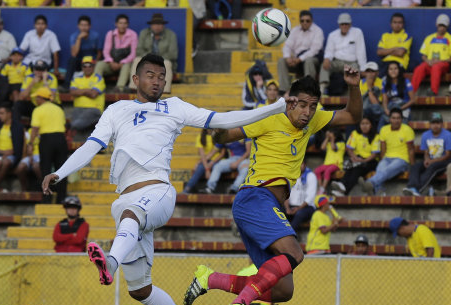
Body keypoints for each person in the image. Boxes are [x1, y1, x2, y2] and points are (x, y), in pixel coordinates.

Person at [42, 53, 297, 305]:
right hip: (126, 198)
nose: (156, 81)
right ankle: (120, 265)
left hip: (157, 192)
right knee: (140, 291)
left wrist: (276, 107)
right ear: (135, 79)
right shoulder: (117, 109)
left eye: (161, 77)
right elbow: (91, 145)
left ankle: (110, 262)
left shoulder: (174, 106)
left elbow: (221, 119)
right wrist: (59, 172)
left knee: (132, 215)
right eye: (150, 75)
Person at [183, 66, 361, 305]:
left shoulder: (313, 120)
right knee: (294, 253)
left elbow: (352, 116)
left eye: (313, 106)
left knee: (282, 291)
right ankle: (241, 303)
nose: (308, 112)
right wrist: (218, 133)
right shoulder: (267, 117)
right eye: (303, 105)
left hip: (268, 205)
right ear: (290, 103)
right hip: (255, 197)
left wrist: (353, 86)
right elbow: (226, 136)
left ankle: (209, 279)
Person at [359, 108, 415, 195]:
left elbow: (411, 150)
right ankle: (379, 191)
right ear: (389, 119)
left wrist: (412, 167)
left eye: (398, 118)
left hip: (402, 159)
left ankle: (370, 183)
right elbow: (383, 149)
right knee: (380, 168)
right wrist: (382, 161)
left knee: (387, 170)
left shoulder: (407, 130)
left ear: (402, 119)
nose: (396, 121)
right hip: (387, 158)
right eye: (393, 118)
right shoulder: (384, 130)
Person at [30, 87, 67, 203]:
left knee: (45, 169)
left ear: (41, 98)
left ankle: (47, 197)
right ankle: (62, 197)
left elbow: (35, 129)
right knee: (61, 169)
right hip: (61, 138)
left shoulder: (38, 110)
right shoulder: (59, 109)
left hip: (46, 140)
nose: (36, 99)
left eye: (37, 97)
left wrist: (30, 143)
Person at [403, 112, 451, 196]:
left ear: (442, 124)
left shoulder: (448, 135)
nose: (435, 125)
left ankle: (417, 189)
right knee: (416, 166)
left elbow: (448, 155)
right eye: (433, 123)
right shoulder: (425, 135)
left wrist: (431, 162)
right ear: (430, 124)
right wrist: (426, 159)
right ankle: (412, 187)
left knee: (432, 167)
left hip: (444, 162)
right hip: (430, 160)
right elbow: (426, 152)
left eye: (438, 123)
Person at [129, 13, 177, 94]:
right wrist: (150, 58)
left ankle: (165, 91)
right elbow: (139, 51)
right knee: (137, 60)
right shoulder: (144, 33)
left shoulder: (171, 35)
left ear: (163, 25)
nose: (157, 27)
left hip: (163, 61)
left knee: (167, 63)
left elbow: (173, 54)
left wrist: (157, 59)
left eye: (159, 24)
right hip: (148, 60)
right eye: (155, 24)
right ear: (151, 25)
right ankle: (133, 88)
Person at [411, 14, 451, 96]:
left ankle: (433, 91)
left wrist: (440, 61)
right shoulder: (429, 38)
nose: (442, 28)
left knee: (436, 67)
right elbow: (423, 55)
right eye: (440, 25)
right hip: (429, 63)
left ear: (447, 26)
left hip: (443, 65)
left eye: (444, 26)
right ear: (436, 25)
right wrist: (427, 61)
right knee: (419, 68)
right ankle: (411, 91)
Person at [277, 10, 324, 94]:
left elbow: (314, 50)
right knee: (281, 61)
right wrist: (287, 57)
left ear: (311, 21)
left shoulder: (318, 31)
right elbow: (287, 46)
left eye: (307, 21)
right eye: (302, 21)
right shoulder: (295, 30)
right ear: (300, 21)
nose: (305, 23)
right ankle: (284, 90)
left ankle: (308, 89)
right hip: (296, 61)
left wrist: (299, 59)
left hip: (312, 60)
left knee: (309, 60)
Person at [319, 13, 366, 95]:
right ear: (339, 24)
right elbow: (329, 51)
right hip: (337, 62)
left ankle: (353, 94)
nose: (344, 26)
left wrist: (363, 68)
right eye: (342, 24)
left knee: (355, 71)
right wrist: (327, 59)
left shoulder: (357, 32)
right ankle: (322, 88)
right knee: (324, 65)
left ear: (350, 24)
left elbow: (361, 51)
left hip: (351, 63)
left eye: (346, 24)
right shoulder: (332, 35)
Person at [331, 117, 380, 196]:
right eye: (362, 124)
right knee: (352, 167)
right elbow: (349, 149)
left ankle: (343, 188)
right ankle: (342, 187)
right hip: (357, 159)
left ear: (371, 125)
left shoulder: (376, 136)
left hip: (370, 161)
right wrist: (355, 158)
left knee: (357, 168)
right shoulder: (355, 133)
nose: (364, 126)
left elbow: (374, 154)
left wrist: (362, 161)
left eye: (367, 123)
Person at [95, 14, 137, 92]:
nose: (122, 25)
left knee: (126, 66)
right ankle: (97, 87)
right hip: (112, 63)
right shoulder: (110, 34)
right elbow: (106, 51)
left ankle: (119, 89)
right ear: (116, 24)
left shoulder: (133, 34)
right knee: (99, 64)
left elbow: (133, 54)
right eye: (120, 23)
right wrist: (111, 62)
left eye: (125, 23)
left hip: (125, 64)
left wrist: (122, 63)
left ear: (127, 24)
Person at [64, 15, 102, 91]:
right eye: (82, 25)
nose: (84, 27)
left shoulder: (95, 36)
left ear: (89, 26)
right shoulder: (74, 36)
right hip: (80, 62)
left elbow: (99, 53)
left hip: (92, 62)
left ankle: (96, 86)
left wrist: (96, 62)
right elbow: (74, 54)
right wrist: (79, 39)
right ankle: (66, 86)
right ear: (78, 26)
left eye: (86, 25)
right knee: (72, 60)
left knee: (99, 63)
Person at [182, 129, 226, 194]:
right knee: (199, 168)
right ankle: (187, 189)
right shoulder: (200, 137)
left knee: (213, 167)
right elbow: (202, 155)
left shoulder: (218, 136)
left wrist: (211, 163)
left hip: (217, 160)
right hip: (206, 160)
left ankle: (209, 188)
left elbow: (222, 154)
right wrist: (207, 169)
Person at [69, 56, 106, 132]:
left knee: (76, 124)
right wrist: (88, 90)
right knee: (77, 117)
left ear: (93, 67)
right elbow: (72, 92)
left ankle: (70, 127)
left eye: (90, 65)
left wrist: (80, 91)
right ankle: (90, 125)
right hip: (78, 108)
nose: (87, 68)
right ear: (82, 67)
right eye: (85, 66)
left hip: (93, 109)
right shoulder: (76, 78)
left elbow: (93, 94)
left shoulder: (98, 78)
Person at [377, 61, 415, 130]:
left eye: (395, 69)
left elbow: (413, 100)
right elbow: (384, 100)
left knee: (401, 129)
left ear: (399, 70)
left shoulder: (406, 82)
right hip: (391, 109)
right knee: (380, 127)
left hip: (403, 108)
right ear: (388, 71)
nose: (393, 71)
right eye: (391, 69)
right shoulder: (385, 83)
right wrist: (386, 110)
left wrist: (400, 109)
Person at [284, 161, 317, 232]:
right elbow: (285, 193)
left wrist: (298, 208)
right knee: (279, 212)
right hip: (291, 206)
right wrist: (287, 208)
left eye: (301, 164)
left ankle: (289, 235)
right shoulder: (290, 175)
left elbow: (310, 197)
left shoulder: (311, 176)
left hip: (306, 207)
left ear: (305, 165)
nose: (299, 166)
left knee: (299, 214)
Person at [315, 128, 345, 195]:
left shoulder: (341, 143)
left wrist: (332, 139)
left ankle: (323, 189)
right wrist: (327, 138)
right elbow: (322, 148)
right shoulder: (329, 142)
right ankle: (321, 188)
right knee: (317, 170)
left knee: (327, 171)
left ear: (335, 135)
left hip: (336, 164)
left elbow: (333, 147)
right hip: (327, 164)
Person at [15, 127, 41, 191]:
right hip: (30, 155)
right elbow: (25, 148)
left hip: (41, 155)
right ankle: (24, 188)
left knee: (36, 166)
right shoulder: (28, 132)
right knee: (20, 167)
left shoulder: (44, 130)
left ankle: (44, 187)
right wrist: (29, 156)